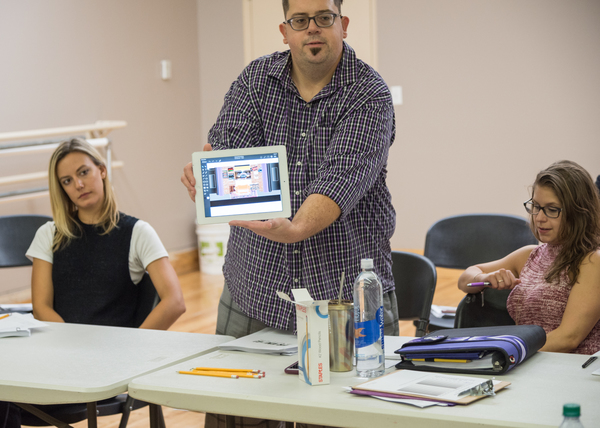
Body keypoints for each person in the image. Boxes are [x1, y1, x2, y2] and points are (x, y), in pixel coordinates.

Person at [182, 0, 398, 426]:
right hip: (254, 291)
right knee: (235, 415)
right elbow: (230, 145)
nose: (312, 29)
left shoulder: (370, 94)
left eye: (324, 18)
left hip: (345, 301)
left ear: (344, 24)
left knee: (346, 418)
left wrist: (297, 227)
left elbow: (343, 177)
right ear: (285, 31)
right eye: (300, 21)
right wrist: (211, 172)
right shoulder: (255, 80)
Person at [1, 138, 186, 426]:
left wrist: (129, 352)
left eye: (83, 172)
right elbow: (42, 307)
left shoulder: (137, 232)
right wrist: (73, 354)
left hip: (110, 364)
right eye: (67, 180)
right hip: (58, 356)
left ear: (101, 170)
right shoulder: (49, 234)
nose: (78, 184)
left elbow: (174, 302)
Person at [458, 160, 600, 354]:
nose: (539, 217)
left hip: (566, 370)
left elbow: (568, 338)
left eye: (552, 209)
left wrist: (508, 353)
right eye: (536, 206)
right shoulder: (529, 255)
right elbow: (465, 280)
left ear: (579, 212)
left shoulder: (592, 261)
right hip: (528, 361)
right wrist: (483, 280)